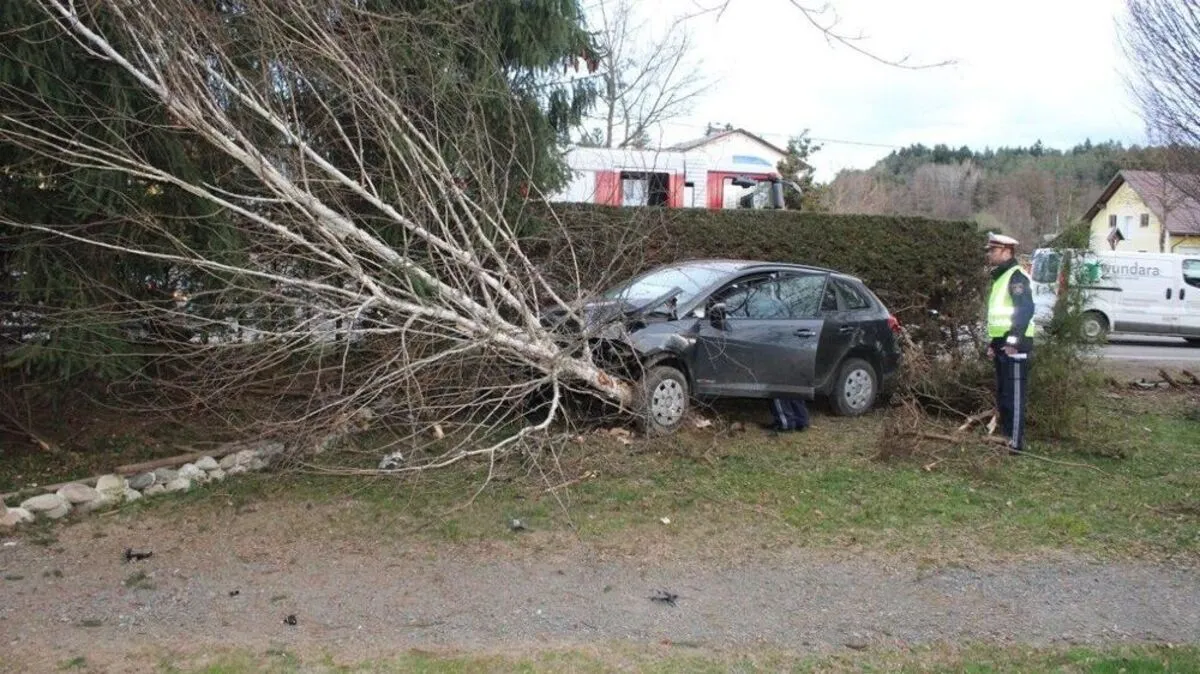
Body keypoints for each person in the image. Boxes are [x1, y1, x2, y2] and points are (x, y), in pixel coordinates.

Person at [984, 232, 1035, 454]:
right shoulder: (1001, 277)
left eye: (993, 251)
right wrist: (993, 344)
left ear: (1007, 251)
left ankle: (1014, 444)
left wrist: (1013, 341)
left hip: (1016, 344)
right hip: (1002, 343)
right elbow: (1000, 318)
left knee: (1014, 397)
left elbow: (1024, 310)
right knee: (1004, 394)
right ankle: (1004, 439)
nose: (990, 255)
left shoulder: (1016, 277)